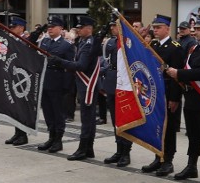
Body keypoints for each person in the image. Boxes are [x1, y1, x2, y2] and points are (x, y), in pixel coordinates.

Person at [165, 15, 200, 183]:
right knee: (192, 134)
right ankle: (192, 165)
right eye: (194, 29)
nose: (194, 32)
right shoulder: (194, 49)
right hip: (190, 97)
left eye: (198, 29)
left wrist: (179, 73)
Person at [141, 15, 186, 176]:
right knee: (156, 126)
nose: (155, 30)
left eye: (159, 27)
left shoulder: (175, 47)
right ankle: (157, 157)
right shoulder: (153, 45)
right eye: (154, 27)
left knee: (169, 129)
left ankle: (168, 160)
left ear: (167, 28)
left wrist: (174, 98)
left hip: (168, 92)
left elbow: (177, 77)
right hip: (155, 93)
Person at [52, 16, 101, 161]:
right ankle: (89, 149)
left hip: (88, 86)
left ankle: (82, 149)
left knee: (87, 119)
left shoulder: (88, 44)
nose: (78, 30)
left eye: (81, 28)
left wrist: (60, 62)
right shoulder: (84, 42)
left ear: (89, 28)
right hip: (83, 84)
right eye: (78, 28)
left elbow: (81, 66)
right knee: (89, 118)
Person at [38, 17, 75, 153]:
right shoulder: (44, 42)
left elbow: (69, 68)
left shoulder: (66, 45)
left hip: (58, 83)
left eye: (53, 26)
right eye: (49, 26)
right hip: (45, 81)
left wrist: (67, 87)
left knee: (57, 113)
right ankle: (51, 136)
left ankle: (58, 140)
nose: (50, 29)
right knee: (48, 112)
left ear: (60, 28)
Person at [100, 21, 131, 167]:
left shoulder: (129, 42)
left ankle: (126, 152)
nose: (111, 28)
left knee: (124, 119)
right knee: (115, 119)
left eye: (114, 26)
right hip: (112, 81)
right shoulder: (112, 42)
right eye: (111, 25)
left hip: (125, 83)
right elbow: (107, 63)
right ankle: (118, 150)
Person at [4, 16, 32, 146]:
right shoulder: (11, 40)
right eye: (11, 27)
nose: (11, 29)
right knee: (15, 106)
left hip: (23, 77)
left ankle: (23, 135)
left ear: (21, 28)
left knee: (22, 107)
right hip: (13, 76)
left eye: (14, 27)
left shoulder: (26, 41)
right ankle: (17, 132)